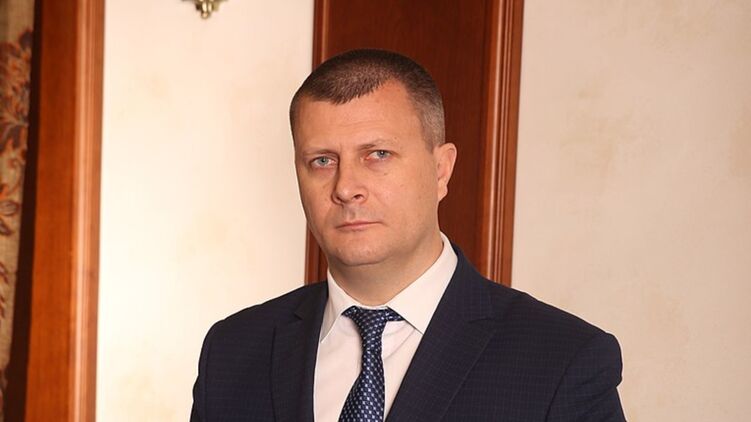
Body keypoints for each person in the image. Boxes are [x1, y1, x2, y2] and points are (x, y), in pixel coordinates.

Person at [191, 49, 626, 422]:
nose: (346, 187)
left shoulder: (562, 361)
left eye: (378, 154)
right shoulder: (232, 353)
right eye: (322, 161)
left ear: (441, 170)